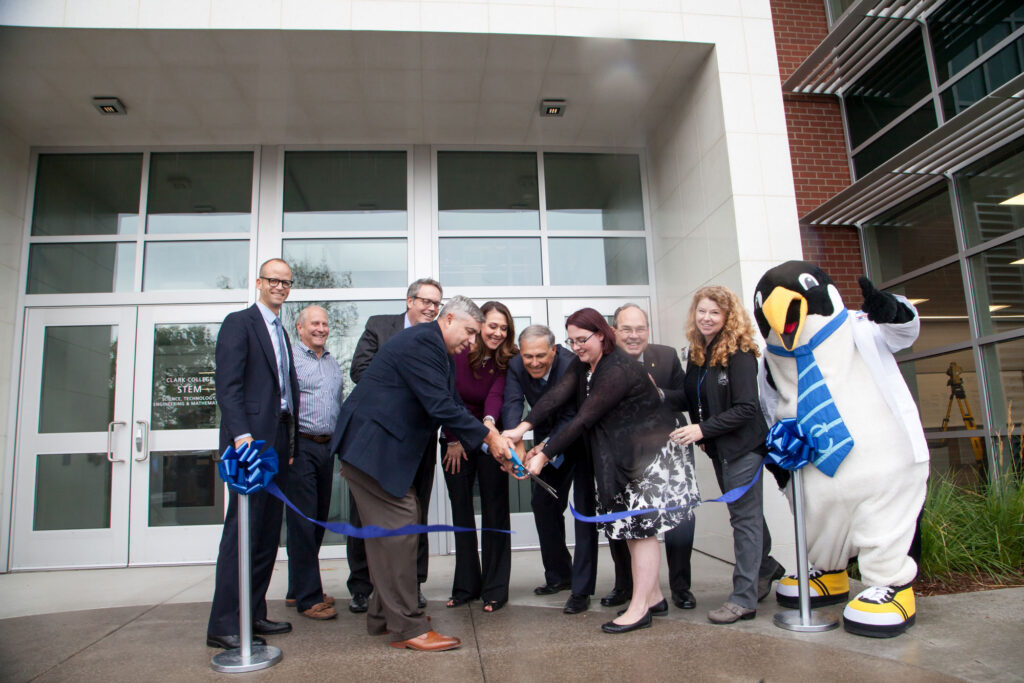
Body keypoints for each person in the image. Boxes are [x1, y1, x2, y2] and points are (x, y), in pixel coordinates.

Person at [329, 295, 513, 651]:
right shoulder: (421, 343)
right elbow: (440, 406)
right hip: (372, 451)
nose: (472, 342)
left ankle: (387, 618)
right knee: (400, 527)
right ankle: (407, 627)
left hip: (382, 452)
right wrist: (490, 436)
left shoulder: (437, 350)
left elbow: (453, 404)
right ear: (448, 320)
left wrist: (491, 446)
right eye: (470, 332)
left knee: (396, 530)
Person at [503, 308, 698, 634]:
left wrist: (544, 455)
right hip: (623, 457)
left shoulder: (616, 368)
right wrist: (521, 428)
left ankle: (639, 609)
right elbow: (555, 398)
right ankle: (654, 598)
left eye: (583, 339)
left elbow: (583, 418)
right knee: (635, 531)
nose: (577, 346)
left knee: (642, 532)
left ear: (602, 334)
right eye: (572, 340)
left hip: (650, 456)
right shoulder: (584, 366)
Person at [669, 285, 783, 624]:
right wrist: (654, 391)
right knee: (745, 515)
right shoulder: (698, 352)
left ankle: (743, 599)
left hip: (745, 448)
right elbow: (693, 400)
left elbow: (747, 409)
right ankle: (765, 567)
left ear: (728, 316)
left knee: (744, 520)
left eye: (715, 313)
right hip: (720, 449)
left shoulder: (742, 352)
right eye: (702, 311)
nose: (706, 318)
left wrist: (702, 430)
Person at [206, 258, 300, 650]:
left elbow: (284, 392)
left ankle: (253, 613)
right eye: (273, 280)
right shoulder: (239, 323)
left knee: (265, 533)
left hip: (278, 440)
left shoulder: (281, 332)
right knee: (242, 530)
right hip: (250, 444)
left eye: (286, 282)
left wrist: (289, 445)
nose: (280, 287)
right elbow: (228, 387)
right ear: (259, 282)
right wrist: (241, 437)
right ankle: (224, 624)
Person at [346, 277, 443, 614]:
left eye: (436, 303)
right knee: (365, 516)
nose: (430, 308)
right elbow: (360, 370)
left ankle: (412, 584)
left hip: (419, 441)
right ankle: (362, 586)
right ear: (409, 301)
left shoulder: (438, 338)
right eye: (425, 301)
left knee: (415, 513)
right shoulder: (379, 326)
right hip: (376, 441)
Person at [604, 303, 697, 612]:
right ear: (614, 331)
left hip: (668, 451)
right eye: (627, 329)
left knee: (678, 520)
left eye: (640, 328)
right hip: (625, 456)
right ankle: (628, 587)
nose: (634, 336)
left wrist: (659, 393)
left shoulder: (667, 356)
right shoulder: (605, 360)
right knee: (625, 521)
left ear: (648, 330)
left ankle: (681, 587)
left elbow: (686, 396)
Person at [501, 325, 598, 615]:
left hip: (579, 440)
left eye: (540, 356)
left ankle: (582, 588)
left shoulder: (571, 364)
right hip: (543, 437)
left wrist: (543, 448)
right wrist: (515, 442)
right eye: (527, 356)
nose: (533, 362)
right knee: (542, 504)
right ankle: (559, 575)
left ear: (554, 351)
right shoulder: (517, 364)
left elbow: (571, 415)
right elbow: (512, 402)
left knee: (584, 511)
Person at [442, 301, 516, 613]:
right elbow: (446, 396)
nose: (498, 333)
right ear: (479, 325)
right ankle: (465, 587)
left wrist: (488, 428)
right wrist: (454, 438)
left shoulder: (504, 360)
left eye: (503, 328)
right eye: (492, 326)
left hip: (490, 439)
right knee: (461, 512)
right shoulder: (457, 351)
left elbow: (496, 395)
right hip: (455, 440)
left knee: (495, 509)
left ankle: (496, 587)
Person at [285, 305, 345, 621]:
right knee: (303, 523)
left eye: (324, 323)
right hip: (300, 448)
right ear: (300, 328)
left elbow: (338, 406)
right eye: (314, 324)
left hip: (326, 449)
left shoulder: (334, 363)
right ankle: (309, 598)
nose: (321, 328)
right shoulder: (290, 362)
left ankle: (298, 588)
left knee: (317, 519)